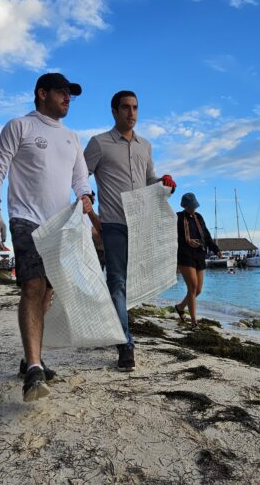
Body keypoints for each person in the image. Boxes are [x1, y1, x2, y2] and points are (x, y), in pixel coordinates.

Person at [0, 72, 93, 402]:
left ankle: (30, 355)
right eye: (62, 92)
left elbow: (81, 179)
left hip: (61, 225)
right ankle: (34, 369)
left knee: (48, 292)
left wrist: (86, 198)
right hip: (26, 219)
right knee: (33, 286)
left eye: (70, 94)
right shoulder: (20, 126)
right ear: (41, 93)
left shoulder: (72, 137)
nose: (67, 98)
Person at [84, 89, 176, 371]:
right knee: (117, 282)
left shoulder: (145, 146)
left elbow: (149, 179)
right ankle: (126, 344)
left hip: (142, 223)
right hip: (113, 222)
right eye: (125, 108)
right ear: (114, 111)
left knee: (134, 282)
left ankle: (118, 329)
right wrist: (89, 205)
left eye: (135, 107)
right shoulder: (99, 143)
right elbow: (80, 175)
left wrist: (164, 182)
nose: (131, 113)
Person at [174, 193, 220, 328]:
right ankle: (194, 321)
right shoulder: (178, 217)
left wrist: (215, 249)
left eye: (194, 206)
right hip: (185, 254)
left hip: (200, 254)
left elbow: (206, 235)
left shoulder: (199, 217)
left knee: (198, 290)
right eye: (190, 206)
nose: (193, 209)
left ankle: (180, 307)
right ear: (185, 205)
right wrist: (187, 241)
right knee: (192, 287)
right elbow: (171, 236)